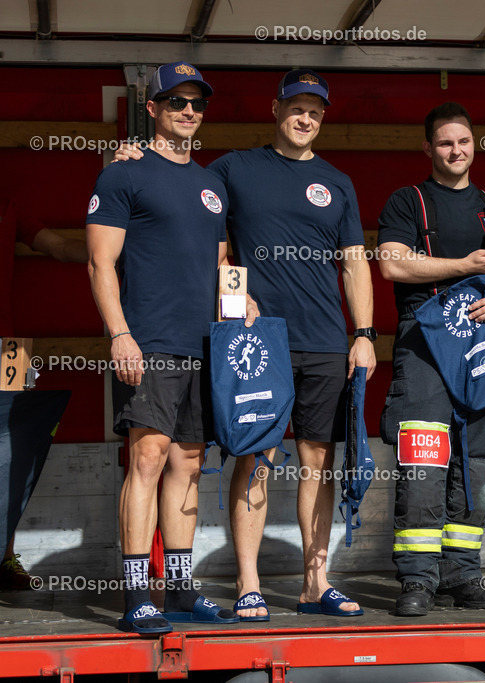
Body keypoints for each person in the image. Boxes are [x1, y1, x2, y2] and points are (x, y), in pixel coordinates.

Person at [117, 69, 375, 621]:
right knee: (257, 457)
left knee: (318, 461)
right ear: (275, 109)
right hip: (257, 340)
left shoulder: (338, 181)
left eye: (315, 111)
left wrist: (364, 333)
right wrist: (129, 156)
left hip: (327, 340)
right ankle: (249, 584)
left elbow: (355, 263)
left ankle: (315, 584)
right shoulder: (231, 170)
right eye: (296, 108)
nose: (305, 118)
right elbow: (176, 186)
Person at [87, 61, 255, 634]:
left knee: (188, 462)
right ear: (153, 109)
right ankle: (138, 595)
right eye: (176, 101)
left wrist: (243, 300)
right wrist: (120, 334)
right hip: (149, 341)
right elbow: (100, 263)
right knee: (148, 459)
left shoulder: (212, 185)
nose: (188, 111)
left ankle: (180, 591)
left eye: (197, 103)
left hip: (205, 344)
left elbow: (220, 262)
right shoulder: (123, 175)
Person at [377, 101, 485, 617]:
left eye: (463, 141)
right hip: (425, 341)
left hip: (482, 340)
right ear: (429, 148)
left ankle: (460, 571)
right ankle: (417, 578)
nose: (456, 150)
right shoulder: (408, 201)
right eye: (445, 142)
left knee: (479, 455)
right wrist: (465, 265)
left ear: (474, 145)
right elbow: (393, 264)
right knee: (423, 453)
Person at [0, 194, 88, 590]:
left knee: (15, 455)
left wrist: (116, 252)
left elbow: (61, 247)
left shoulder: (7, 207)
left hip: (9, 349)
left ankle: (5, 557)